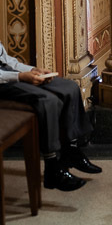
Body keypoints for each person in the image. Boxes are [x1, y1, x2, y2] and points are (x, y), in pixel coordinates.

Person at [0, 40, 102, 191]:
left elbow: (6, 60)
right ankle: (52, 168)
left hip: (11, 76)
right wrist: (21, 77)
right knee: (48, 101)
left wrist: (34, 70)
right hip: (4, 83)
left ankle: (71, 151)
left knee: (70, 87)